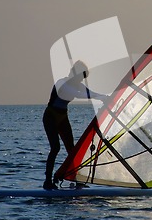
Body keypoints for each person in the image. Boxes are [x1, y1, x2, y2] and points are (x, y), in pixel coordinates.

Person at [43, 60, 107, 190]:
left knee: (72, 151)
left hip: (62, 116)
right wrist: (96, 97)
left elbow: (90, 92)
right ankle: (48, 181)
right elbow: (78, 94)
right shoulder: (62, 83)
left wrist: (105, 97)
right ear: (74, 73)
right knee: (55, 148)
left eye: (83, 78)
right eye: (81, 77)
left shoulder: (78, 85)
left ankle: (76, 180)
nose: (81, 80)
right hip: (50, 116)